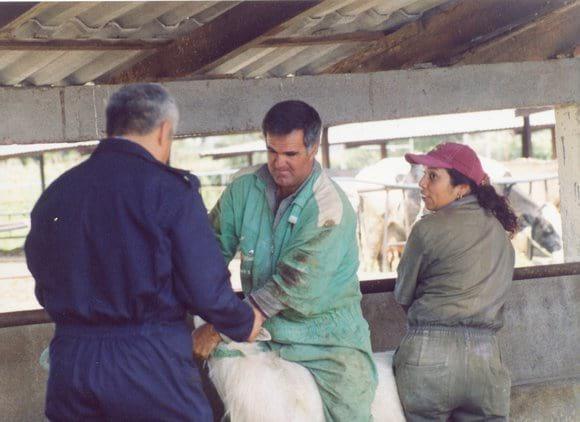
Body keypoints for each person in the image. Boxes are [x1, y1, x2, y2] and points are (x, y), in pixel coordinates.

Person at [25, 83, 264, 421]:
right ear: (164, 131)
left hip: (72, 362)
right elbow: (204, 286)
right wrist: (243, 322)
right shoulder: (170, 192)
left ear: (111, 129)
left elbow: (42, 277)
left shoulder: (57, 193)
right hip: (149, 362)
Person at [193, 100, 377, 421]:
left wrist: (220, 326)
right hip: (260, 331)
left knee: (352, 410)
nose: (279, 163)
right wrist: (197, 298)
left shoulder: (329, 209)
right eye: (271, 151)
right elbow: (208, 252)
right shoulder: (243, 188)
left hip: (324, 340)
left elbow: (290, 285)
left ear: (313, 148)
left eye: (290, 154)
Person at [393, 142, 518, 421]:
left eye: (433, 176)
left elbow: (402, 296)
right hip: (486, 363)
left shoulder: (426, 229)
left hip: (429, 358)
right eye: (424, 174)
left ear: (462, 188)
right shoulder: (501, 235)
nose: (422, 183)